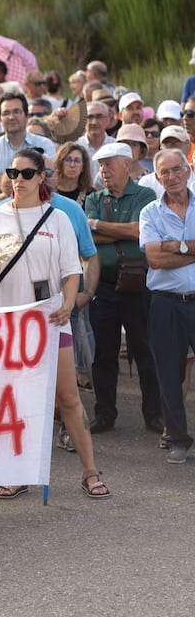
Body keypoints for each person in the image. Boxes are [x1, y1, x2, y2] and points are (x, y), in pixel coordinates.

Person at [0, 148, 109, 499]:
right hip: (9, 323)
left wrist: (67, 305)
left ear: (42, 177)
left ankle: (90, 471)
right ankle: (18, 472)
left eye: (27, 174)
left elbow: (71, 270)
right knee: (15, 399)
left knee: (67, 398)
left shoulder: (58, 217)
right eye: (13, 173)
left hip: (49, 320)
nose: (18, 180)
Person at [84, 143, 160, 435]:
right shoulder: (94, 197)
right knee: (104, 352)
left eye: (109, 164)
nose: (103, 170)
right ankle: (104, 414)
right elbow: (88, 239)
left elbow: (140, 232)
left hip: (138, 282)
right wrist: (122, 230)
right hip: (103, 286)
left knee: (145, 351)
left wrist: (99, 225)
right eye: (101, 165)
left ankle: (154, 415)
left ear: (127, 165)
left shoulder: (145, 194)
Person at [140, 149, 195, 463]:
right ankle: (177, 439)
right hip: (165, 303)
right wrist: (189, 248)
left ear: (187, 170)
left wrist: (177, 246)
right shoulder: (150, 212)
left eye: (177, 170)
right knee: (169, 374)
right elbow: (154, 258)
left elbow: (165, 254)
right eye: (165, 173)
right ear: (157, 178)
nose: (172, 177)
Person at [0, 94, 58, 192]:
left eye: (16, 111)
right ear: (0, 119)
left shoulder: (45, 144)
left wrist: (2, 178)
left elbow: (50, 182)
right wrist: (30, 176)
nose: (11, 117)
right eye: (6, 113)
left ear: (26, 116)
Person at [53, 142, 94, 206]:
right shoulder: (48, 192)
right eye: (68, 160)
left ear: (83, 167)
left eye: (77, 161)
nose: (72, 165)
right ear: (60, 163)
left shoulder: (91, 195)